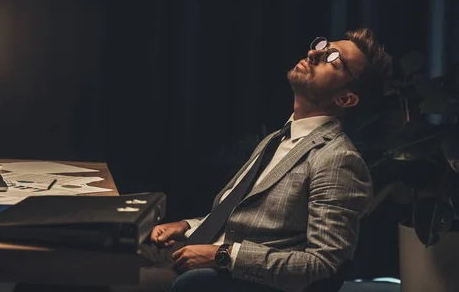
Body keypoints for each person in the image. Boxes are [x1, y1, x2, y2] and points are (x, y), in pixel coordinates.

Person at [114, 28, 393, 292]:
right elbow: (241, 217)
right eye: (322, 47)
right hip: (187, 254)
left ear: (346, 99)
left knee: (103, 275)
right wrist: (189, 226)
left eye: (334, 60)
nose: (313, 54)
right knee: (93, 249)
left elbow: (323, 264)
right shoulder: (277, 138)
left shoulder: (338, 159)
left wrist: (223, 256)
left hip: (223, 279)